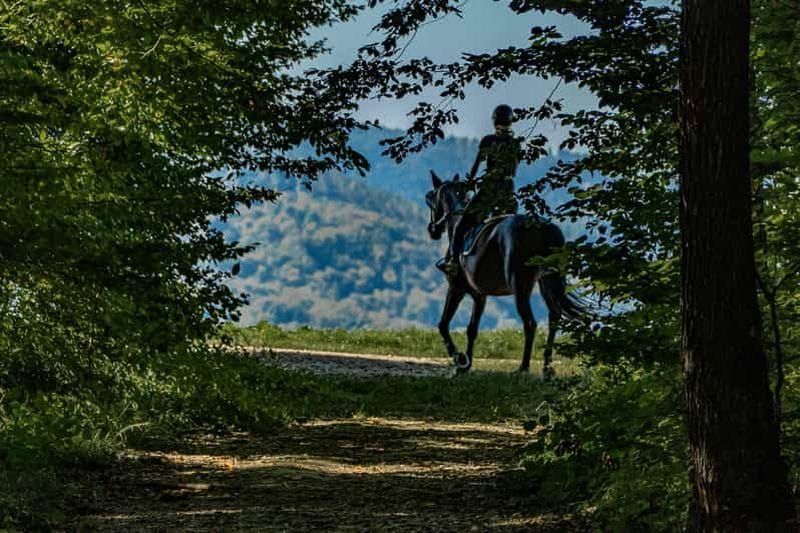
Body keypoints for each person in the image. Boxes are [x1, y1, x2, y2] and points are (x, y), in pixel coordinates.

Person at [437, 104, 521, 276]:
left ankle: (453, 261)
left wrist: (468, 185)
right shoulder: (515, 143)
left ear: (494, 120)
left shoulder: (488, 140)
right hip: (508, 190)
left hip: (489, 189)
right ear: (511, 121)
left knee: (462, 224)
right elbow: (513, 171)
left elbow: (476, 167)